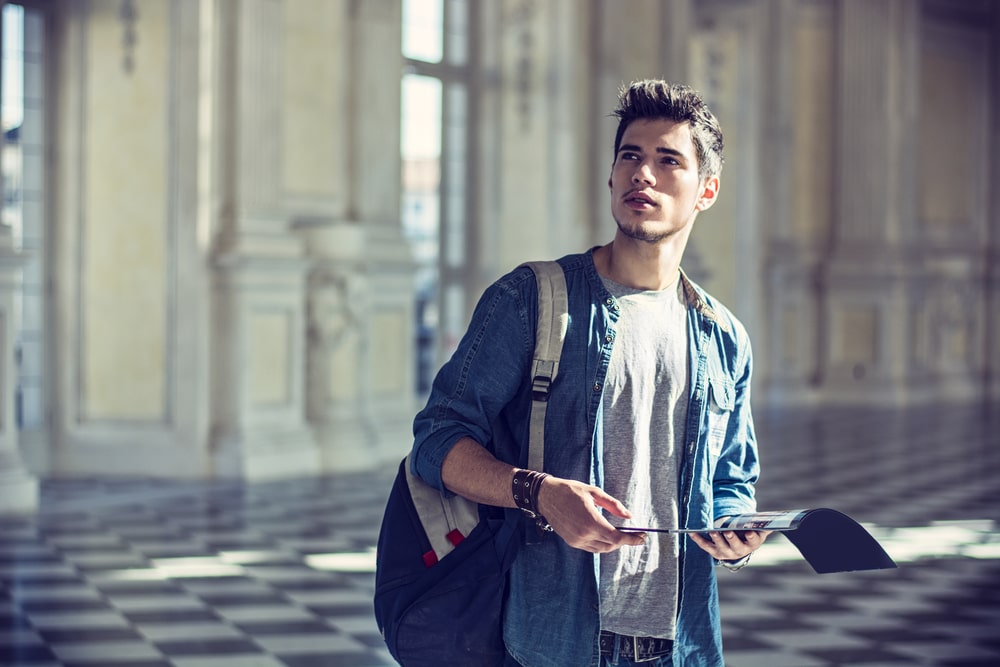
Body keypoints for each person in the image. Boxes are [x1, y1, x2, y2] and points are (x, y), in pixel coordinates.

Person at [410, 79, 767, 667]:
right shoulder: (532, 299)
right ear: (610, 178)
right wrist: (540, 493)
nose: (642, 174)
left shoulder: (722, 336)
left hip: (684, 645)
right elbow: (437, 440)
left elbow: (732, 478)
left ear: (707, 190)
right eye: (630, 155)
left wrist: (735, 536)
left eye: (667, 160)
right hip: (552, 640)